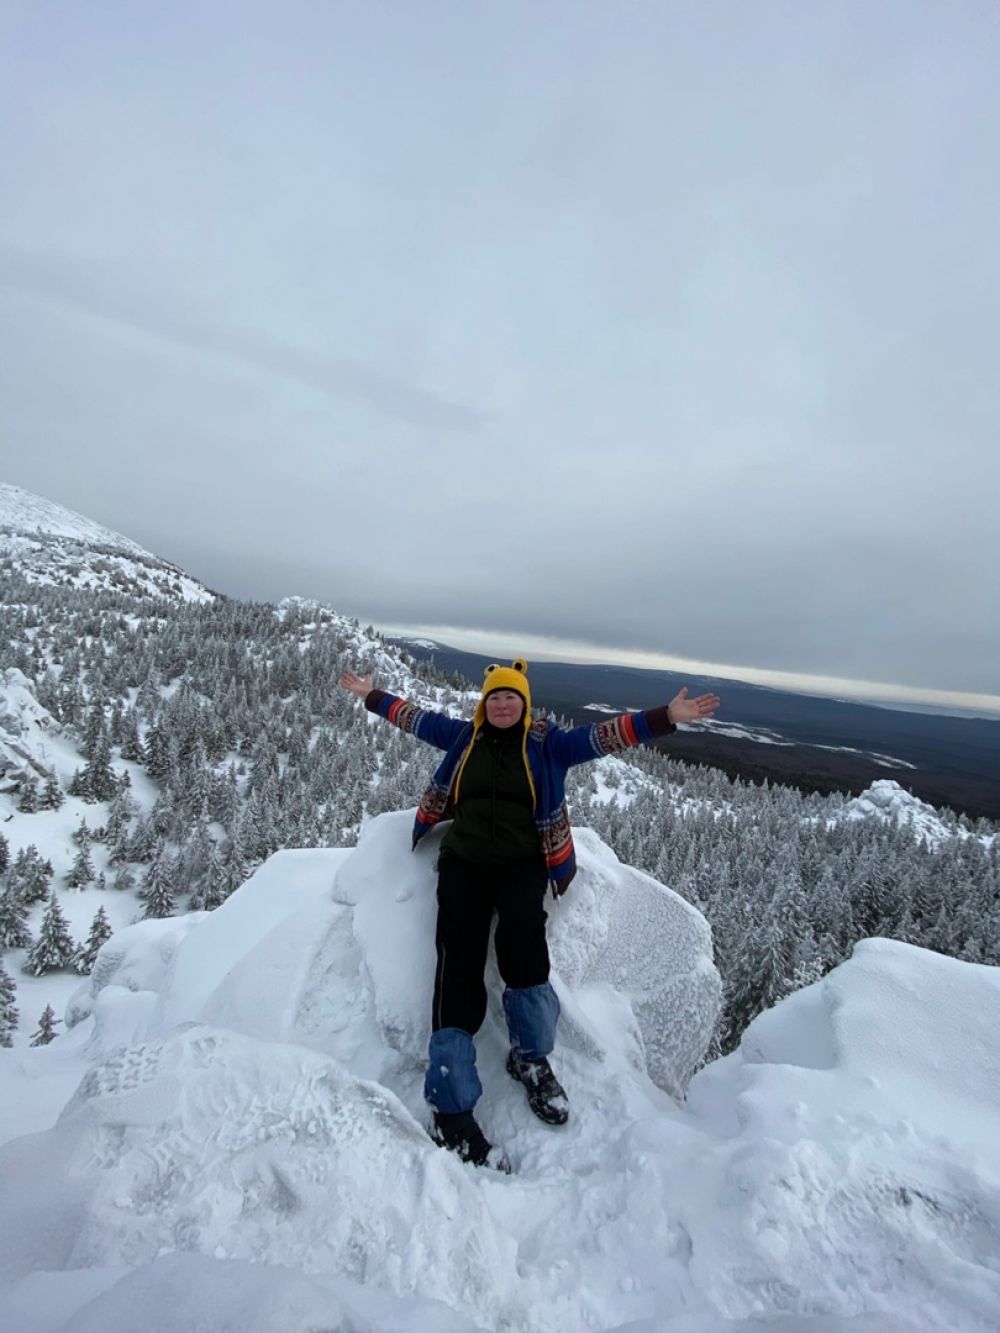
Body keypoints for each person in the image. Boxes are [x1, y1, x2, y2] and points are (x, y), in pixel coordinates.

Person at [340, 658, 720, 1171]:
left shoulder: (548, 745)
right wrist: (371, 695)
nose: (502, 704)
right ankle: (451, 1107)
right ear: (485, 703)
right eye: (495, 696)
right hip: (464, 862)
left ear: (525, 705)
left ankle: (530, 1057)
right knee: (457, 963)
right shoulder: (463, 737)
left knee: (525, 948)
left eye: (511, 697)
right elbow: (414, 717)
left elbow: (604, 737)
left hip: (523, 863)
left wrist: (665, 717)